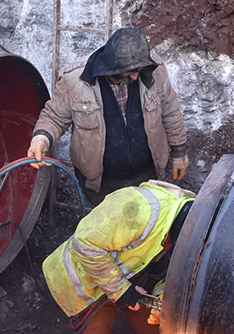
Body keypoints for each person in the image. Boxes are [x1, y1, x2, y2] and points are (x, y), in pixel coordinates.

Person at [41, 179, 195, 334]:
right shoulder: (138, 208)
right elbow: (86, 244)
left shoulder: (189, 235)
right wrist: (122, 291)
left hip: (131, 282)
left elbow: (170, 272)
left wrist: (161, 299)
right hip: (86, 284)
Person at [28, 27, 189, 205]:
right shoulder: (76, 81)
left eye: (139, 70)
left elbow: (171, 111)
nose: (136, 76)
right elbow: (54, 117)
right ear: (111, 68)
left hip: (148, 177)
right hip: (101, 184)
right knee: (111, 228)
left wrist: (179, 154)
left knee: (147, 226)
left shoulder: (154, 71)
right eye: (129, 72)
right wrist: (41, 139)